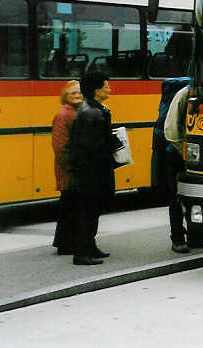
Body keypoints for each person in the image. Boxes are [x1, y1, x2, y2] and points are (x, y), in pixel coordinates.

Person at [69, 70, 119, 266]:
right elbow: (94, 146)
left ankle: (90, 247)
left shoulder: (92, 108)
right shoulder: (93, 112)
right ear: (97, 90)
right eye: (106, 85)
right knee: (89, 211)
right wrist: (113, 145)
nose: (110, 88)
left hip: (88, 170)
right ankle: (82, 252)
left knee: (92, 210)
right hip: (92, 171)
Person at [164, 81, 203, 253]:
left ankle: (197, 237)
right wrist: (186, 154)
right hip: (177, 154)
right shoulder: (183, 94)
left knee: (196, 197)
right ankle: (177, 239)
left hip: (195, 155)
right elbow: (170, 131)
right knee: (176, 198)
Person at [51, 80, 83, 255]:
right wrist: (73, 168)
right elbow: (60, 147)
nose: (77, 96)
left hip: (72, 168)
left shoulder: (74, 112)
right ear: (65, 96)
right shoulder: (65, 115)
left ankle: (66, 243)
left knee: (71, 206)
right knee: (69, 206)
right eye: (73, 93)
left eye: (79, 93)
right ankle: (65, 244)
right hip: (70, 170)